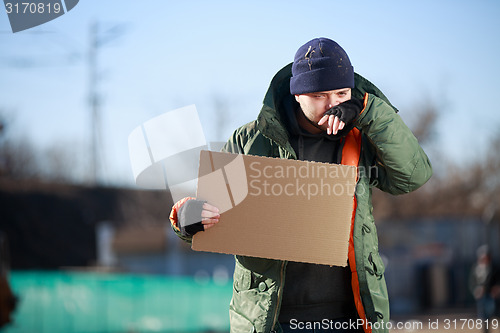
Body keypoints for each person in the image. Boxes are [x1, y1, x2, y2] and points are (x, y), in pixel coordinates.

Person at [169, 37, 433, 333]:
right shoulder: (249, 140)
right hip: (271, 319)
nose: (333, 105)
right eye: (320, 95)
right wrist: (188, 219)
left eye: (342, 93)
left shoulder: (361, 137)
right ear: (297, 94)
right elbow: (211, 219)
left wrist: (369, 112)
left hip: (349, 317)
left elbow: (413, 176)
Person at [469, 245, 500, 333]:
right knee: (484, 318)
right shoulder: (476, 268)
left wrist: (497, 288)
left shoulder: (494, 267)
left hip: (492, 296)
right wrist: (475, 290)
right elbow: (472, 282)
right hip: (481, 297)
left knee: (495, 313)